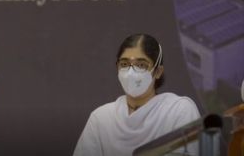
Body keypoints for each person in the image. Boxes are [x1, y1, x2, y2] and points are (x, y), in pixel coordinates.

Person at [73, 34, 201, 156]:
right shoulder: (101, 118)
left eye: (141, 65)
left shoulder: (178, 110)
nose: (130, 73)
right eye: (124, 64)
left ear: (157, 71)